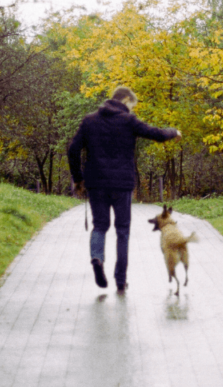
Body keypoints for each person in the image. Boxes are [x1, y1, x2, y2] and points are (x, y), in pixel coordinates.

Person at [67, 86, 181, 293]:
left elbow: (72, 150)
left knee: (100, 225)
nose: (131, 109)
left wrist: (78, 179)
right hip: (122, 185)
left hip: (96, 183)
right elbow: (155, 134)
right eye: (131, 105)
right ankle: (121, 280)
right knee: (122, 232)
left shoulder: (89, 120)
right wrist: (173, 132)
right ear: (126, 99)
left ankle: (97, 258)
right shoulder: (128, 121)